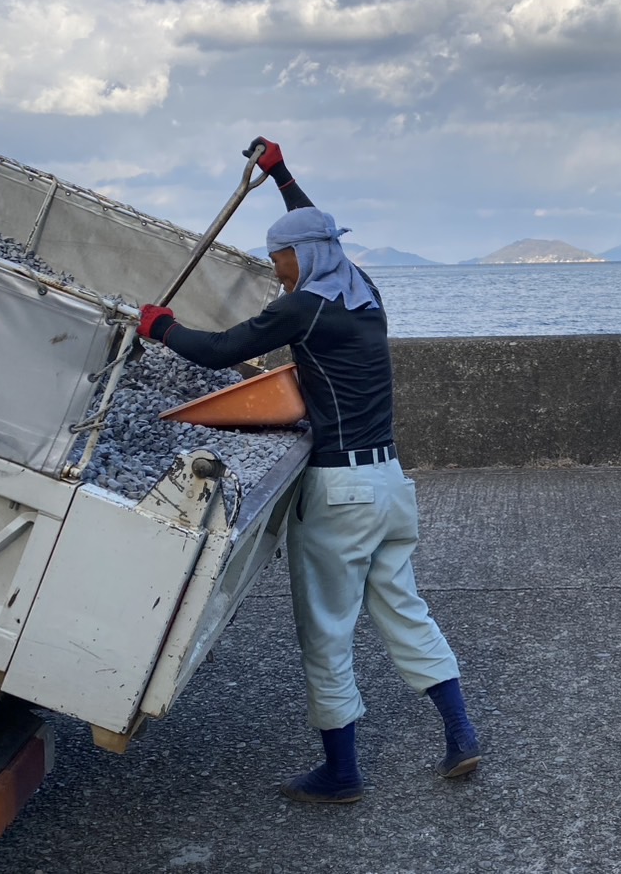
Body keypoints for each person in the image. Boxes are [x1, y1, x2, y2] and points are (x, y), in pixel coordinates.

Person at [136, 140, 480, 804]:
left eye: (279, 259)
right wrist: (281, 176)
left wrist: (162, 328)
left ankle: (342, 772)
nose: (276, 272)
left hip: (340, 490)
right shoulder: (363, 292)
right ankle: (461, 737)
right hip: (389, 484)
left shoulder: (302, 308)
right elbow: (318, 226)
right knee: (405, 612)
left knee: (325, 631)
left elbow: (221, 351)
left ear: (302, 257)